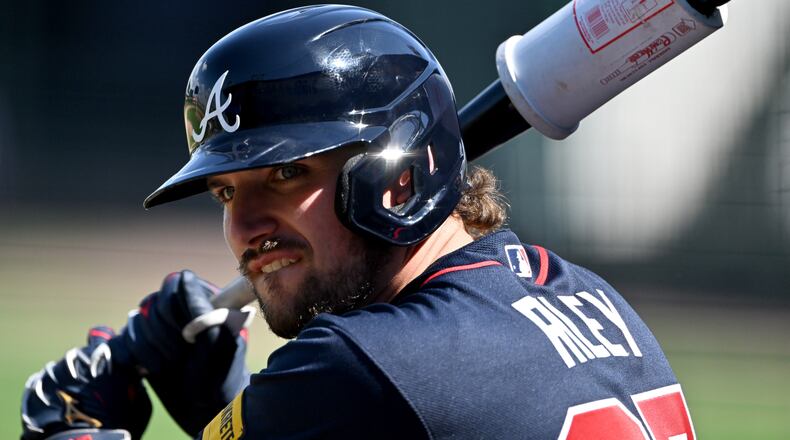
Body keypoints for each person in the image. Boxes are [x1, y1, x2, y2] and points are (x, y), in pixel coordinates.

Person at [21, 5, 695, 439]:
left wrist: (69, 425)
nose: (245, 227)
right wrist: (235, 411)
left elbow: (374, 392)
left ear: (400, 176)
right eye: (226, 194)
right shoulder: (585, 295)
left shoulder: (361, 364)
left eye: (286, 176)